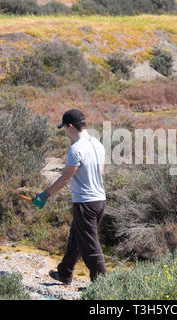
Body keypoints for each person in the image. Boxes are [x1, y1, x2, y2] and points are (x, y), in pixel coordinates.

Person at [33, 109, 107, 285]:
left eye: (65, 128)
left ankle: (102, 284)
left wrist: (45, 195)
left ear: (71, 126)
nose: (66, 132)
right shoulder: (98, 144)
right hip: (99, 200)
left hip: (85, 203)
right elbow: (101, 171)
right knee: (76, 237)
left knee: (90, 244)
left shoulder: (75, 149)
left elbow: (66, 178)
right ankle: (65, 273)